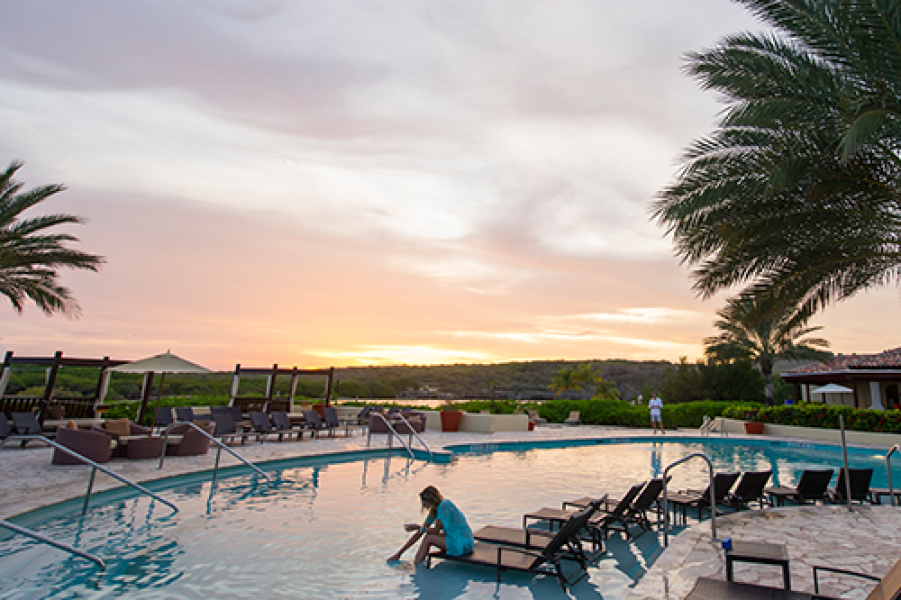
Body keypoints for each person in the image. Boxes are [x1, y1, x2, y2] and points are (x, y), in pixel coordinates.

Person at [387, 485, 474, 564]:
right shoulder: (434, 511)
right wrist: (399, 554)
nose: (424, 506)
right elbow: (420, 532)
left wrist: (418, 527)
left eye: (424, 502)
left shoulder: (444, 505)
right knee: (428, 535)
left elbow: (435, 531)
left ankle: (417, 564)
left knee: (429, 538)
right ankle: (418, 561)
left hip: (463, 543)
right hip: (454, 538)